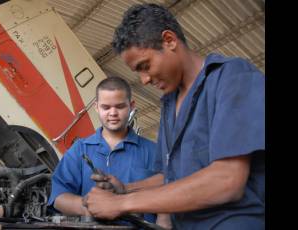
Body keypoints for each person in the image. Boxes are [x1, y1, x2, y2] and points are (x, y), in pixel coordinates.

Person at [84, 3, 265, 230]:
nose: (144, 80)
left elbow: (227, 180)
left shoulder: (232, 78)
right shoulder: (169, 104)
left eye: (145, 66)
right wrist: (127, 188)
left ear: (169, 40)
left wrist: (121, 203)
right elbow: (171, 178)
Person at [47, 76, 165, 224]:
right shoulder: (79, 150)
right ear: (96, 107)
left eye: (120, 106)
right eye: (106, 107)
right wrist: (90, 206)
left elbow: (169, 191)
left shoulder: (153, 151)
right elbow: (58, 196)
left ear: (131, 105)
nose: (113, 113)